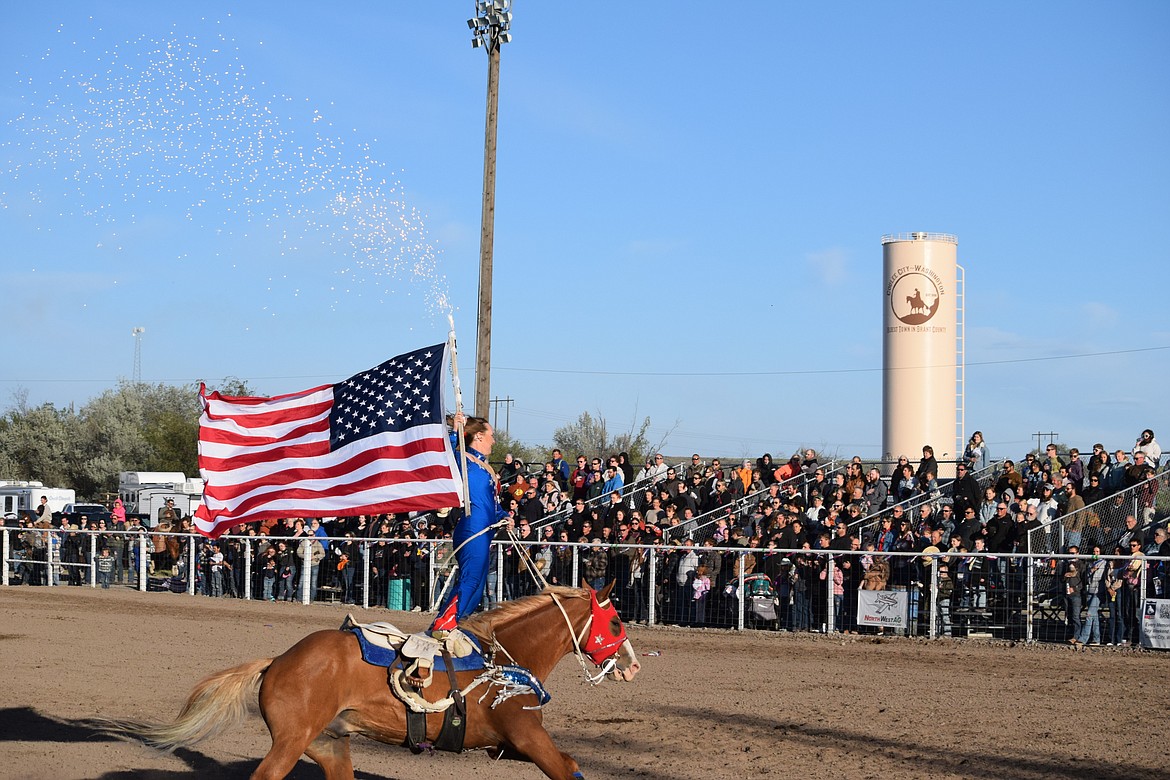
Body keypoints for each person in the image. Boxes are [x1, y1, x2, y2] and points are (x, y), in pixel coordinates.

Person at [430, 415, 512, 632]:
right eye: (491, 436)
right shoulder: (462, 458)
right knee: (470, 580)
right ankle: (442, 627)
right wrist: (456, 429)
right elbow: (445, 448)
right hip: (472, 528)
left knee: (476, 588)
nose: (493, 441)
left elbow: (491, 504)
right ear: (478, 436)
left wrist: (504, 515)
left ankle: (457, 627)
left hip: (485, 530)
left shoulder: (483, 466)